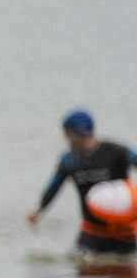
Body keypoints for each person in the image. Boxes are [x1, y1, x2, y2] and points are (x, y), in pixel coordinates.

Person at [27, 108, 135, 258]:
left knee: (124, 274)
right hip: (91, 232)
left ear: (79, 131)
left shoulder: (116, 151)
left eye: (67, 132)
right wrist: (40, 209)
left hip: (124, 233)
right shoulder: (69, 159)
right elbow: (55, 185)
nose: (65, 138)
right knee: (83, 273)